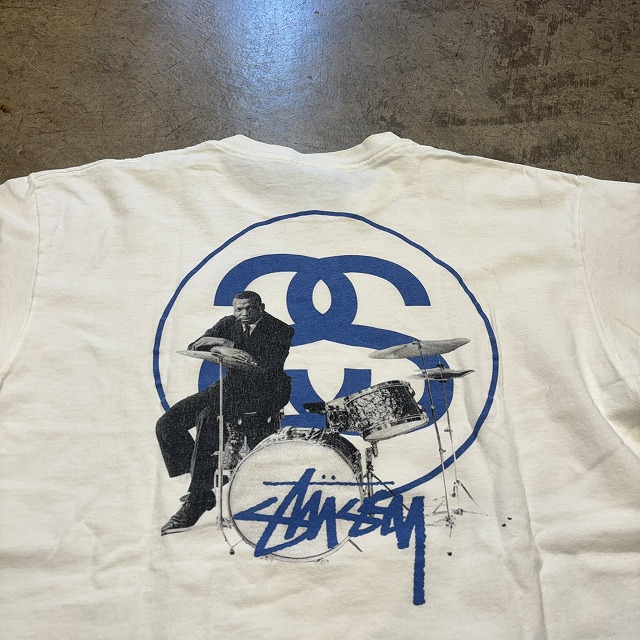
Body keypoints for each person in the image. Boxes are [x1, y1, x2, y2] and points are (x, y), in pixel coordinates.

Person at [156, 291, 295, 535]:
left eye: (250, 308)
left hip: (266, 391)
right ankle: (204, 480)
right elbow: (196, 344)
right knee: (168, 422)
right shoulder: (228, 323)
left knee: (209, 416)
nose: (243, 314)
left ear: (261, 307)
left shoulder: (281, 329)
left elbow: (263, 364)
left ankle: (198, 497)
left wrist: (225, 345)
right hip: (232, 387)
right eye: (238, 309)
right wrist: (226, 347)